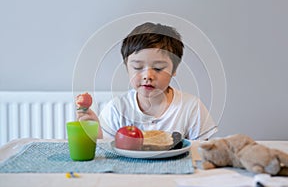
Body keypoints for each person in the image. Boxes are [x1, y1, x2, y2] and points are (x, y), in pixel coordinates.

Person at [77, 22, 217, 140]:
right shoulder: (117, 108)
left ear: (174, 69)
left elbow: (202, 151)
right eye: (138, 67)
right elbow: (108, 152)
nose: (147, 76)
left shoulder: (191, 107)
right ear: (127, 68)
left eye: (158, 68)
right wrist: (95, 134)